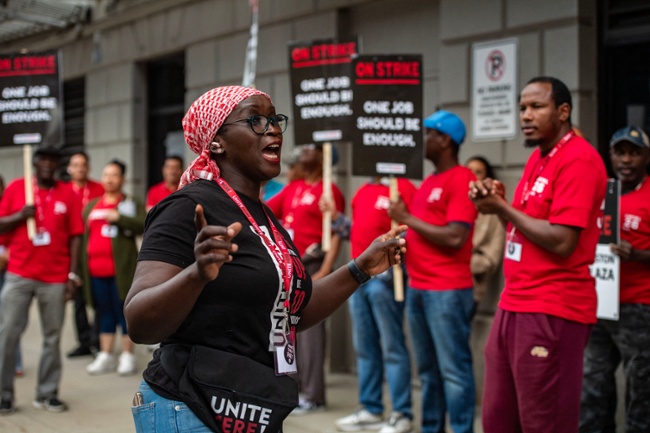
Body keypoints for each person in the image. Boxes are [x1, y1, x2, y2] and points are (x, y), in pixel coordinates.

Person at [123, 85, 406, 433]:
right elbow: (139, 322)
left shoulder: (267, 219)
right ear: (217, 142)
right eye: (255, 120)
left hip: (251, 408)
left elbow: (289, 313)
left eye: (274, 120)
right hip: (189, 407)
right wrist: (196, 274)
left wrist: (360, 269)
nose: (272, 129)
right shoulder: (186, 207)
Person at [469, 76, 607, 433]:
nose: (526, 116)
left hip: (553, 306)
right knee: (498, 420)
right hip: (514, 302)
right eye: (522, 108)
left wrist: (502, 207)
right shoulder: (538, 158)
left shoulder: (579, 159)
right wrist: (495, 204)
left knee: (544, 423)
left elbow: (562, 241)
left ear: (563, 111)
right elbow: (521, 229)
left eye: (536, 107)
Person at [388, 110, 477, 433]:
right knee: (428, 372)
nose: (422, 140)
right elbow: (423, 232)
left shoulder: (462, 178)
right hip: (419, 287)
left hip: (447, 291)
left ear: (445, 140)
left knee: (453, 372)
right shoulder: (429, 183)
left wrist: (407, 218)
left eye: (428, 133)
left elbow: (455, 237)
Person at [0, 147, 84, 414]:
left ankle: (47, 394)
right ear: (35, 163)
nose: (48, 164)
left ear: (58, 165)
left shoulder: (68, 193)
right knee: (7, 334)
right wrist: (20, 216)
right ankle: (3, 395)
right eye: (43, 160)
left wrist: (72, 274)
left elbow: (76, 235)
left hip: (55, 277)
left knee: (52, 337)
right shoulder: (17, 188)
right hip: (19, 274)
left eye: (53, 160)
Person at [330, 176, 417, 433]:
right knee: (365, 347)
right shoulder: (363, 190)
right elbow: (356, 231)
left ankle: (401, 413)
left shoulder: (403, 187)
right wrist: (335, 218)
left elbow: (411, 231)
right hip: (359, 280)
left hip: (386, 281)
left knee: (392, 347)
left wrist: (393, 265)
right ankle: (371, 408)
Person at [580, 125, 650, 433]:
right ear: (610, 156)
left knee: (641, 388)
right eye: (620, 153)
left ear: (646, 157)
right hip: (598, 303)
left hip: (639, 306)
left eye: (634, 153)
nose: (627, 160)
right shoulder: (600, 193)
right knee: (592, 384)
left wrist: (639, 255)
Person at [267, 142, 345, 413]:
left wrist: (325, 269)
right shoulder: (294, 187)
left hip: (313, 265)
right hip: (291, 267)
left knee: (310, 331)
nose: (304, 152)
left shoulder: (330, 190)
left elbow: (336, 233)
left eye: (312, 149)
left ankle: (313, 396)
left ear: (324, 157)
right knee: (287, 330)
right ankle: (292, 389)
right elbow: (267, 211)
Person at [81, 159, 145, 376]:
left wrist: (119, 218)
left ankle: (127, 356)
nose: (109, 179)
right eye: (106, 175)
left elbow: (143, 224)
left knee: (123, 311)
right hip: (95, 271)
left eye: (114, 175)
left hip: (122, 271)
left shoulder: (130, 202)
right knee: (104, 312)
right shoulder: (92, 205)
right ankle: (106, 355)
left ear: (122, 179)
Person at [65, 151, 104, 358]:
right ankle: (83, 342)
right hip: (72, 250)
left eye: (83, 164)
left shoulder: (99, 189)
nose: (80, 168)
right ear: (69, 168)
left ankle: (97, 341)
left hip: (94, 247)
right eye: (76, 164)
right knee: (78, 299)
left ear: (88, 167)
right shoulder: (64, 191)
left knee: (97, 298)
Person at [464, 156, 505, 315]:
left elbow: (492, 257)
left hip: (470, 286)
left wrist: (464, 264)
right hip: (437, 282)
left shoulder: (493, 210)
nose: (473, 176)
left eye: (479, 172)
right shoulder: (454, 200)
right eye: (469, 171)